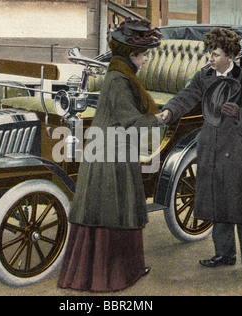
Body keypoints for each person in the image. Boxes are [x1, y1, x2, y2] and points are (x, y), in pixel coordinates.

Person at [57, 18, 165, 292]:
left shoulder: (118, 74)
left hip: (107, 150)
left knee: (107, 211)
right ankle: (113, 276)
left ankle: (115, 271)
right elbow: (131, 122)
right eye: (143, 56)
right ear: (132, 55)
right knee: (117, 211)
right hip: (111, 156)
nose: (144, 61)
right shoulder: (120, 81)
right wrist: (159, 118)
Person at [160, 27, 242, 285]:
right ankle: (224, 254)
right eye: (209, 52)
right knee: (217, 203)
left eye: (216, 53)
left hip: (238, 151)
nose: (210, 57)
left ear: (230, 55)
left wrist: (239, 113)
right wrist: (169, 112)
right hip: (210, 147)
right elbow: (186, 97)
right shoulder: (204, 76)